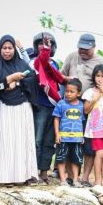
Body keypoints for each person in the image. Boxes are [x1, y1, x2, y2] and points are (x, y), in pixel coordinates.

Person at [0, 35, 38, 185]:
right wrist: (9, 79)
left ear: (14, 50)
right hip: (5, 109)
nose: (7, 51)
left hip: (22, 107)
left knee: (22, 141)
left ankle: (25, 175)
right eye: (4, 48)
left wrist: (18, 83)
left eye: (10, 48)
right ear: (0, 49)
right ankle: (6, 177)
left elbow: (32, 79)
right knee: (6, 142)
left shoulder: (21, 64)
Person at [61, 34, 103, 185]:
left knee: (88, 144)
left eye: (86, 50)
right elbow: (61, 76)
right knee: (70, 140)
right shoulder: (71, 57)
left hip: (91, 108)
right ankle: (70, 176)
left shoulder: (101, 61)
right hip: (70, 105)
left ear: (94, 47)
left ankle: (85, 177)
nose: (83, 52)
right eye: (80, 48)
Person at [31, 32, 66, 185]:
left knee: (49, 141)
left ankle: (44, 171)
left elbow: (58, 81)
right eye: (40, 43)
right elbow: (43, 61)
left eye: (47, 44)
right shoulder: (35, 61)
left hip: (54, 107)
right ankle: (34, 172)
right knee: (37, 140)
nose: (43, 46)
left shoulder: (55, 64)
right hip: (41, 106)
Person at [82, 64, 103, 187]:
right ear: (94, 77)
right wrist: (94, 99)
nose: (100, 79)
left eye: (102, 76)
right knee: (99, 153)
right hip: (95, 129)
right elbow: (86, 110)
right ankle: (97, 181)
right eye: (97, 76)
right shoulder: (89, 92)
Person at [53, 79, 86, 186]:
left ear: (79, 93)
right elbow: (56, 119)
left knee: (76, 160)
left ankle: (75, 180)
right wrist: (57, 134)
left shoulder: (81, 105)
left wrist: (83, 136)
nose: (68, 94)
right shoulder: (61, 104)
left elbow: (82, 122)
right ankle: (63, 180)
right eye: (67, 91)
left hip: (77, 138)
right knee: (61, 159)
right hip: (63, 137)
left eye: (72, 92)